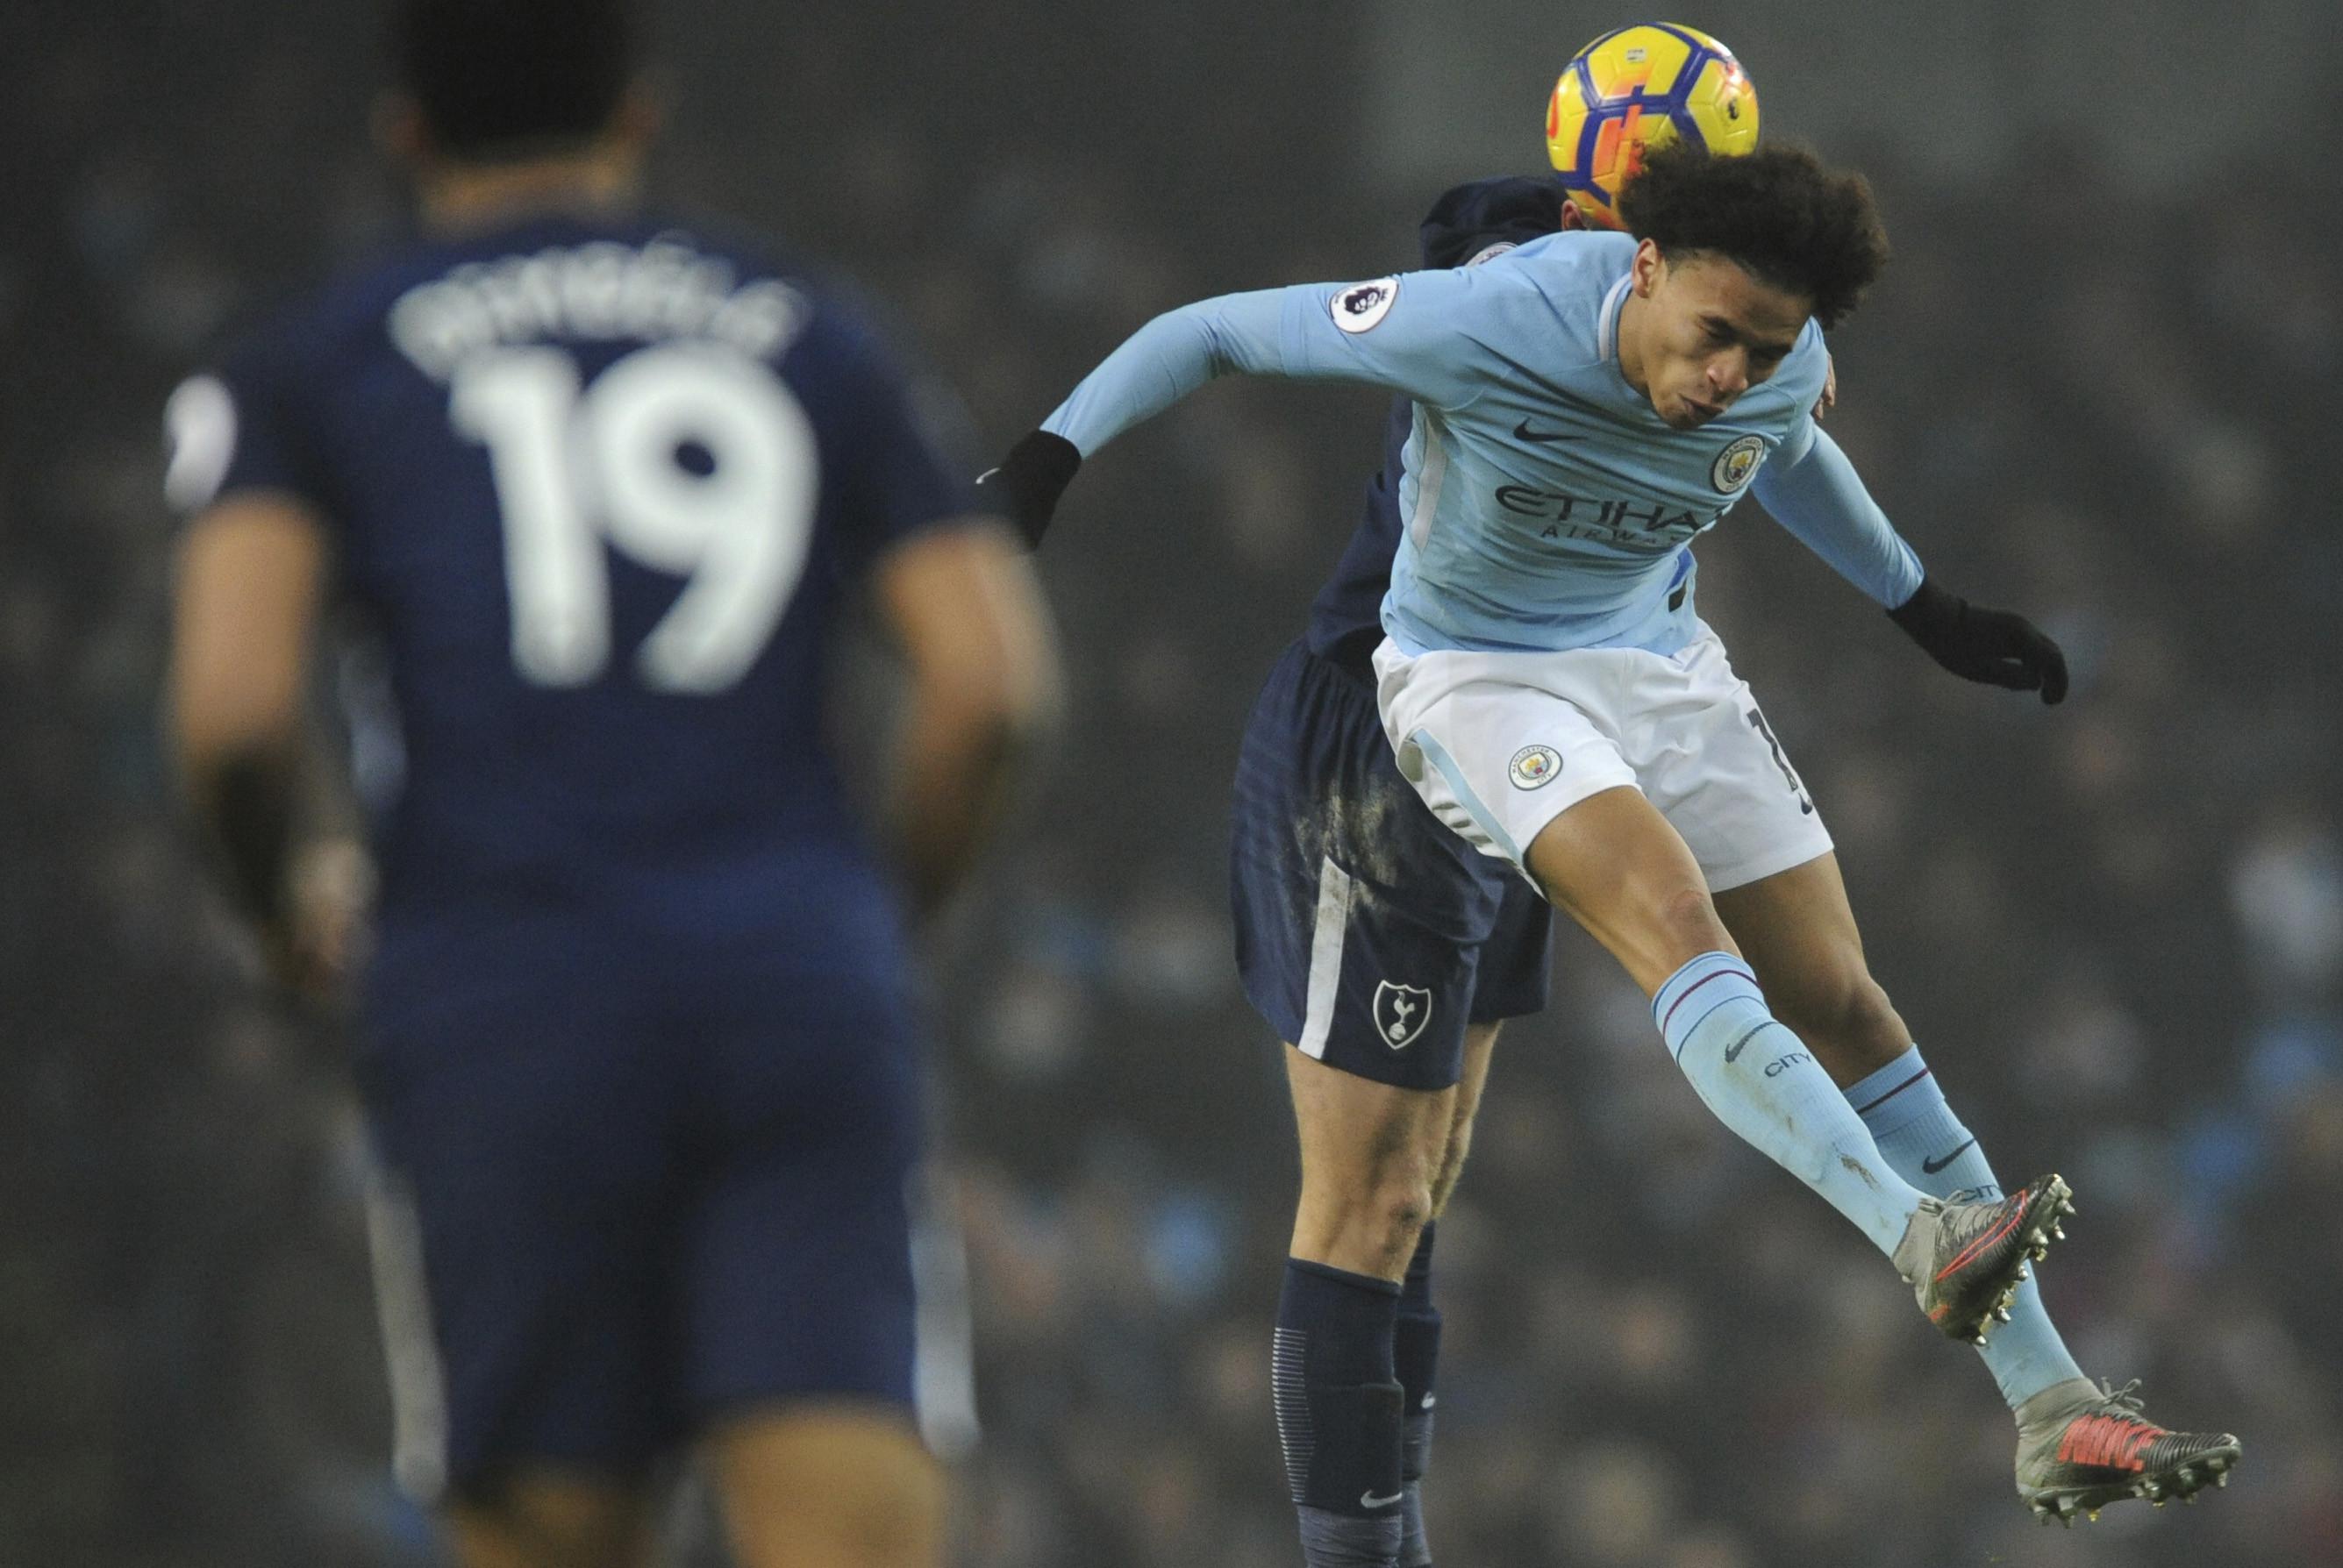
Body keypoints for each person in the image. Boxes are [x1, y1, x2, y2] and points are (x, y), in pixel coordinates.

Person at [982, 142, 2238, 1550]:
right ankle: (1910, 1236)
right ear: (1639, 263)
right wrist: (1043, 459)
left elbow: (1791, 457)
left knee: (1842, 1001)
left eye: (1762, 349)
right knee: (1659, 941)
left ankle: (2048, 1402)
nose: (1727, 375)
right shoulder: (1487, 314)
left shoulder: (1772, 353)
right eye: (1711, 339)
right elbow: (1215, 330)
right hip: (1475, 679)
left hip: (1656, 667)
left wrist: (1923, 607)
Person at [162, 2, 1058, 1564]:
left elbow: (235, 715)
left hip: (502, 992)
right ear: (639, 116)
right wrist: (866, 911)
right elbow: (989, 689)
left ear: (406, 133)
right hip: (788, 974)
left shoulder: (312, 358)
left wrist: (283, 899)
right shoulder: (811, 327)